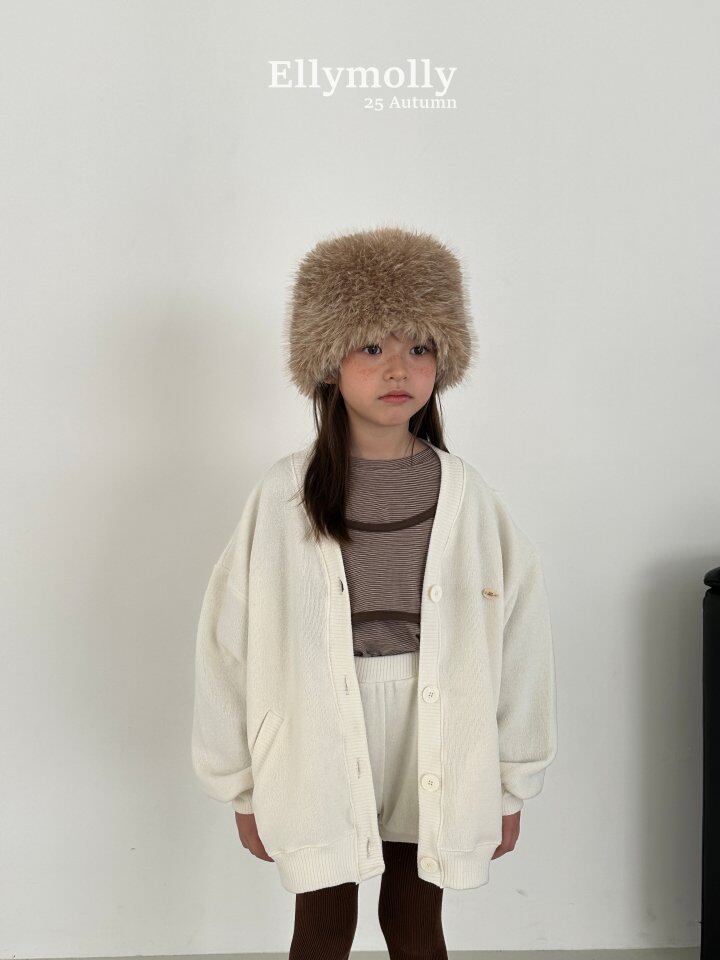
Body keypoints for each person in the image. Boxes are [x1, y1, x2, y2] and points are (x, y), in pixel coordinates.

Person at [191, 225, 558, 959]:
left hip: (438, 725)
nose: (399, 368)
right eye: (371, 347)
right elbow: (228, 641)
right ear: (328, 364)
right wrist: (242, 785)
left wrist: (509, 782)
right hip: (316, 730)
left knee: (417, 923)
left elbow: (520, 637)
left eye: (420, 347)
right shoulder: (284, 495)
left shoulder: (467, 495)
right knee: (323, 925)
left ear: (444, 361)